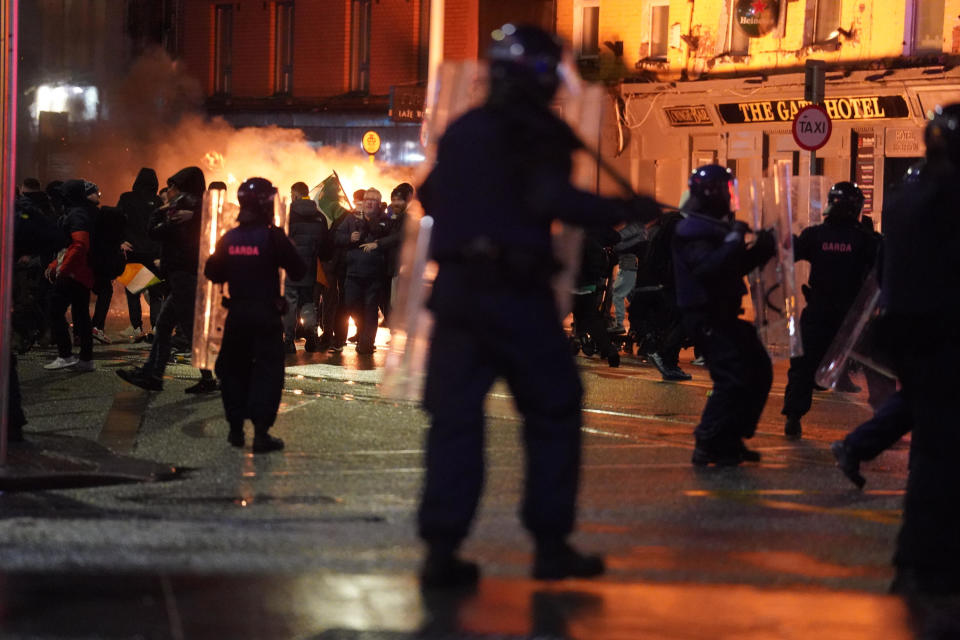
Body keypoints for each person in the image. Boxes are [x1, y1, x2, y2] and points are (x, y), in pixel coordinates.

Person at [415, 23, 660, 588]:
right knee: (553, 412)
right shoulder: (538, 131)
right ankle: (551, 546)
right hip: (515, 297)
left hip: (457, 295)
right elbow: (553, 198)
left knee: (454, 424)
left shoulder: (463, 129)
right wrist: (625, 207)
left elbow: (431, 194)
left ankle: (441, 551)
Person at [878, 103, 960, 596]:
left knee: (932, 445)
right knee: (941, 452)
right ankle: (927, 559)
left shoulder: (905, 196)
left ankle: (917, 558)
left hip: (911, 334)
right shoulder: (948, 196)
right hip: (945, 334)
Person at [672, 165, 776, 466]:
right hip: (706, 315)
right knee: (731, 377)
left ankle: (730, 438)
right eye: (728, 190)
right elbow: (707, 269)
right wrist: (733, 240)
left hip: (725, 312)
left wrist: (760, 250)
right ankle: (708, 440)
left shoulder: (714, 226)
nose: (732, 197)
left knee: (758, 369)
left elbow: (732, 267)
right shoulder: (692, 229)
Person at [204, 178, 307, 453]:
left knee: (233, 368)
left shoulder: (230, 237)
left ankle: (235, 430)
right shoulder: (273, 236)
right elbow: (298, 270)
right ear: (266, 203)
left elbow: (212, 272)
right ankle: (261, 433)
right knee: (268, 371)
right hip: (265, 315)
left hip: (237, 314)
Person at [781, 182, 878, 440]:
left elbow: (791, 252)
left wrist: (783, 238)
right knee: (875, 366)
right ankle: (885, 417)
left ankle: (794, 415)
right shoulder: (863, 239)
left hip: (819, 311)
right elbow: (883, 267)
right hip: (851, 317)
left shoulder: (815, 235)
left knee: (802, 366)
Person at [115, 166, 217, 394]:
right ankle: (154, 375)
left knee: (189, 331)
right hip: (182, 276)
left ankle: (213, 376)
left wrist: (164, 213)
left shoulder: (188, 210)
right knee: (165, 327)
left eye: (173, 186)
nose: (168, 190)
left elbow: (155, 232)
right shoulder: (192, 209)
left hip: (185, 277)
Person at [43, 179, 98, 372]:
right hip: (83, 272)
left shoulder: (76, 214)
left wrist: (62, 269)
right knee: (81, 314)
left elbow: (79, 245)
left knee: (55, 310)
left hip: (74, 272)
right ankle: (85, 359)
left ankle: (65, 355)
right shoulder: (83, 211)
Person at [336, 188, 391, 355]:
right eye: (367, 199)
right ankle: (362, 334)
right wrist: (348, 238)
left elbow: (382, 234)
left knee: (370, 309)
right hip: (353, 273)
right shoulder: (351, 218)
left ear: (378, 203)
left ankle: (366, 344)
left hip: (374, 274)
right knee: (352, 305)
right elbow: (337, 237)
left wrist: (365, 221)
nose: (369, 202)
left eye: (373, 200)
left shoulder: (384, 220)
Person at [117, 168, 164, 343]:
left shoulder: (126, 198)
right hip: (153, 252)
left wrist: (120, 241)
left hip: (133, 252)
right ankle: (156, 328)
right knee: (156, 293)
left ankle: (136, 327)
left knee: (133, 290)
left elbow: (116, 221)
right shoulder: (159, 201)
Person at [283, 181, 328, 353]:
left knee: (290, 305)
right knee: (308, 303)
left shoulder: (288, 214)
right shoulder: (319, 216)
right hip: (309, 268)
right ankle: (311, 337)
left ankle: (288, 341)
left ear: (294, 194)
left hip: (290, 267)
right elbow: (325, 245)